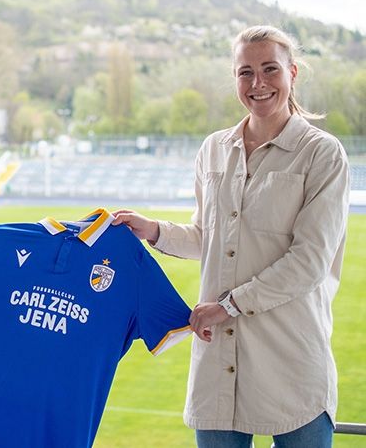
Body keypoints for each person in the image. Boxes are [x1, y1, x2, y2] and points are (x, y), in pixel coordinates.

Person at [113, 25, 350, 448]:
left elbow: (309, 263)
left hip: (291, 359)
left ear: (293, 72)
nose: (258, 83)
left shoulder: (323, 153)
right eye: (245, 72)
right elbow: (209, 236)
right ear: (235, 78)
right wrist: (154, 231)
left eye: (270, 69)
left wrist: (228, 306)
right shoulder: (213, 149)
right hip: (218, 362)